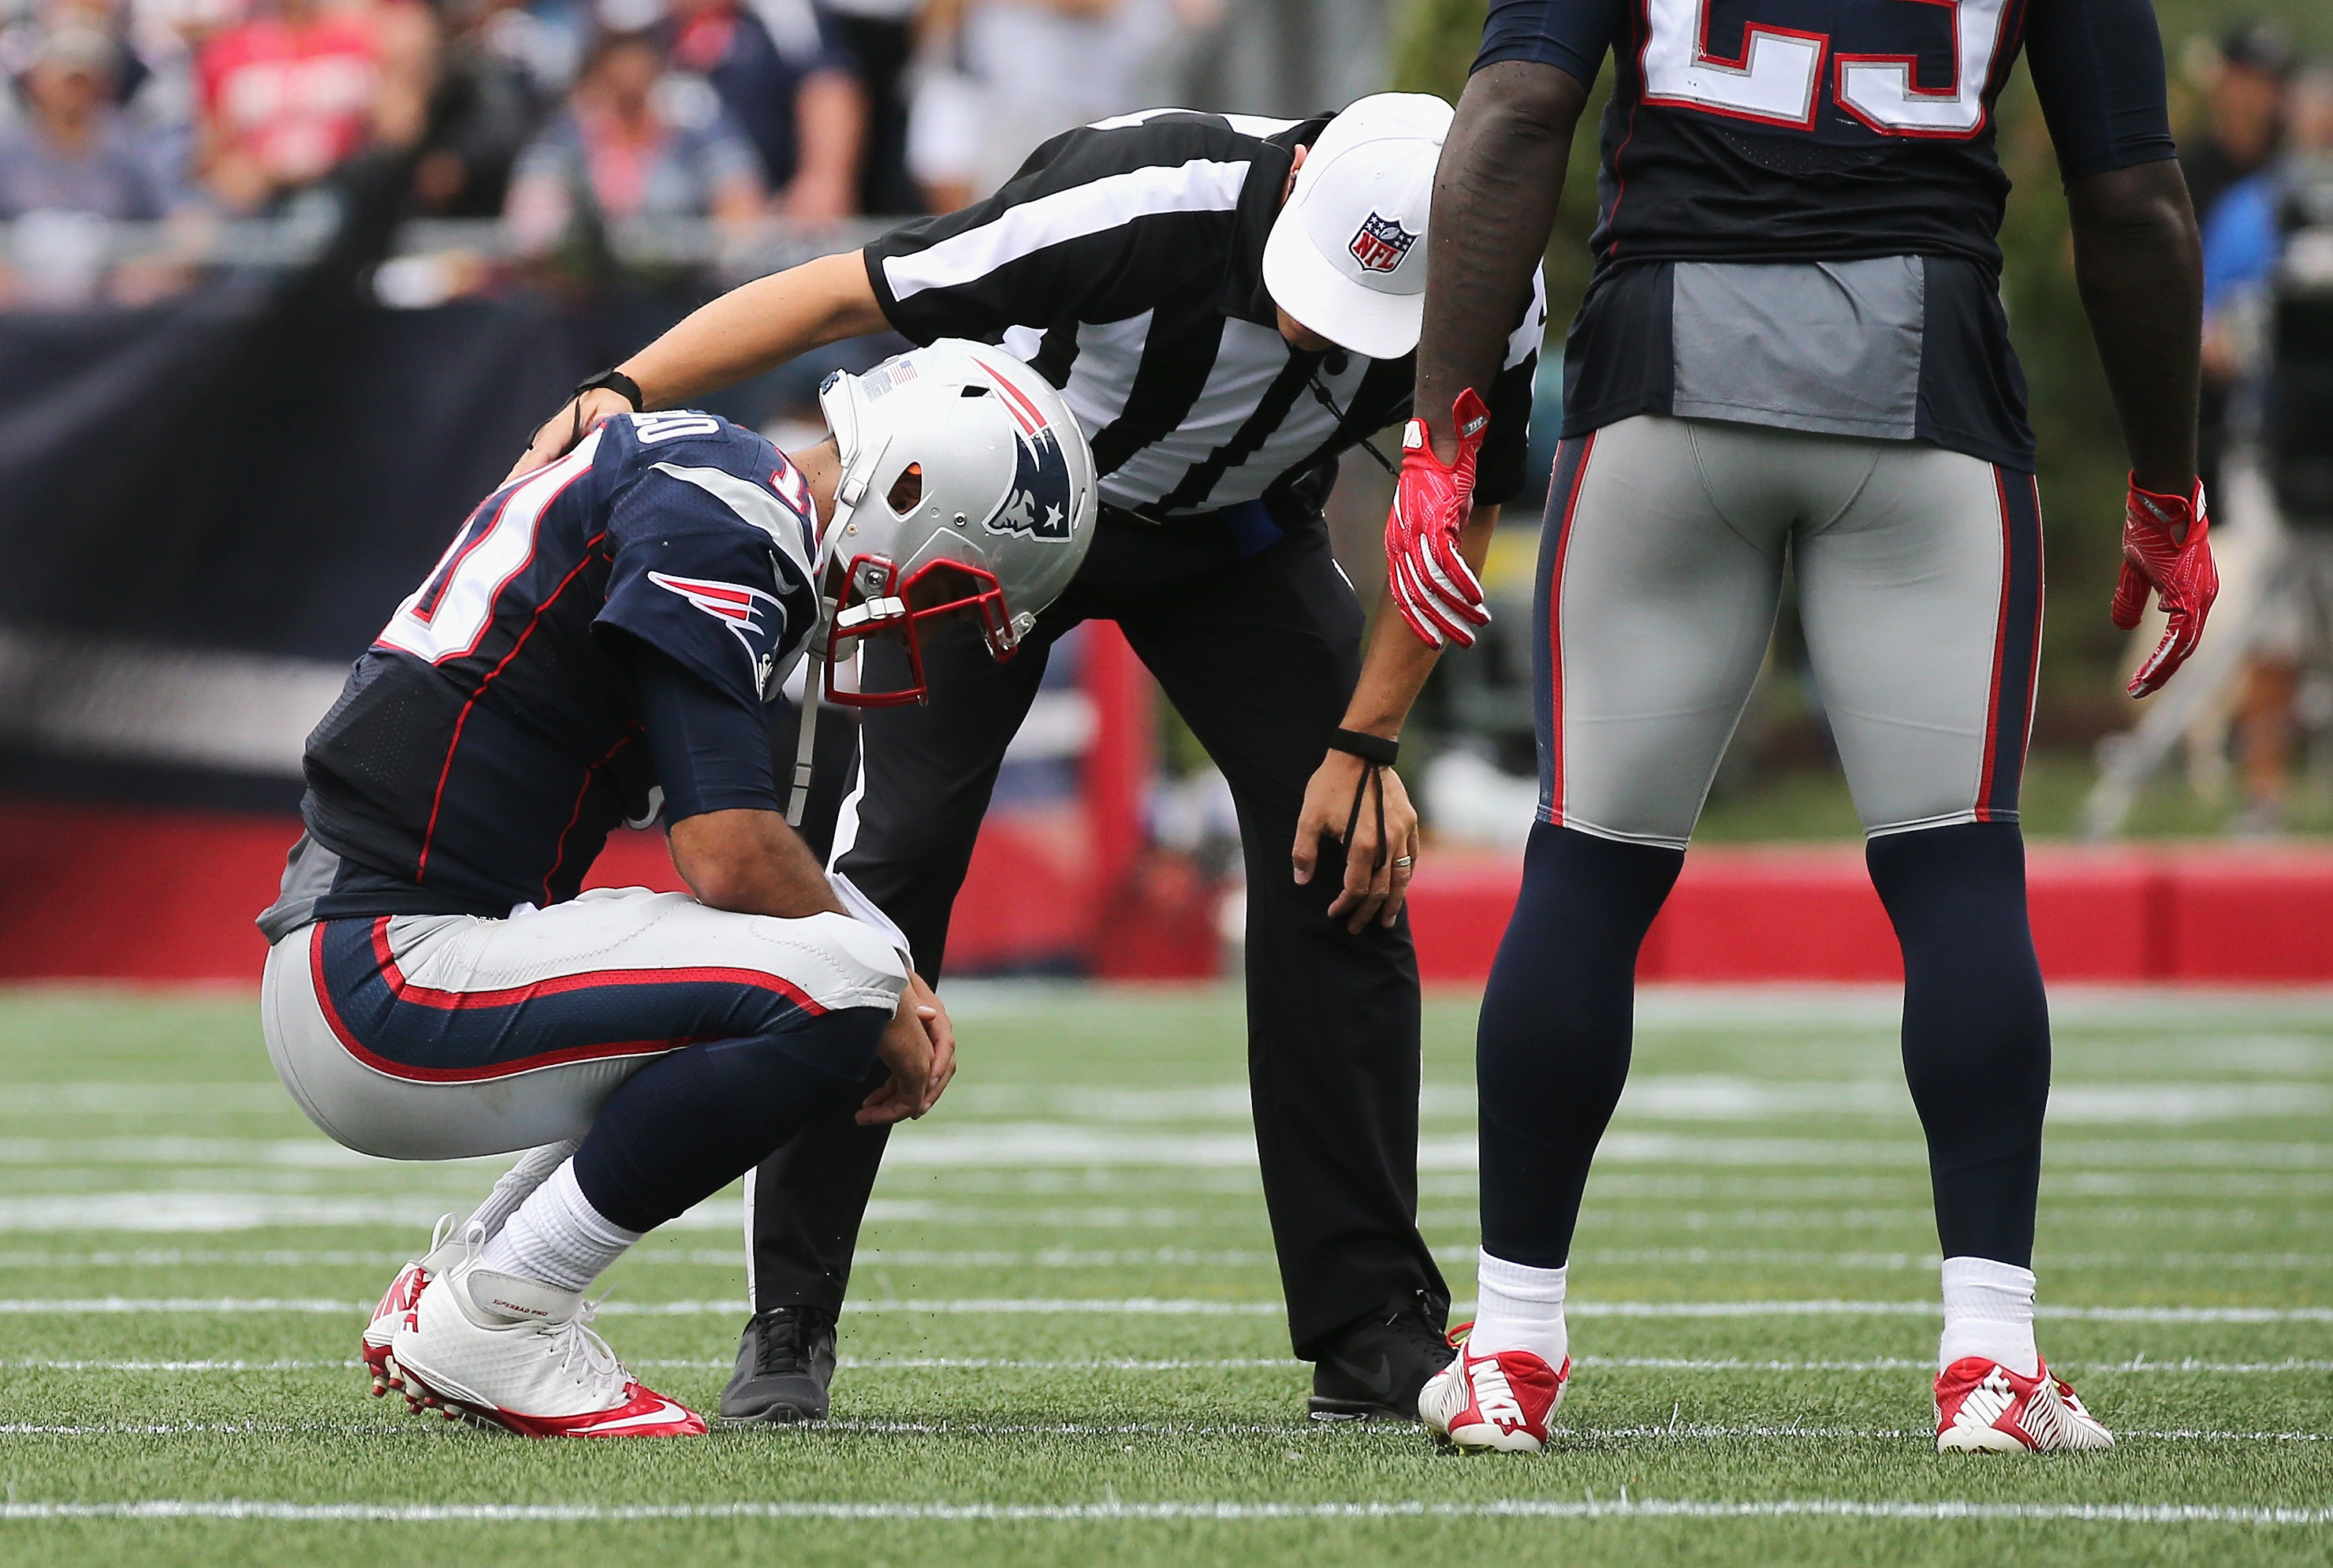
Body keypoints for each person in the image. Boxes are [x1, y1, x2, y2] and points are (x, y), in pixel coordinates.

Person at [509, 91, 1545, 1425]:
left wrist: (1366, 738)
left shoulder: (1483, 288)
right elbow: (844, 290)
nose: (1319, 336)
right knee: (883, 870)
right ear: (1291, 187)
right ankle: (788, 1319)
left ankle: (1366, 1322)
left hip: (1235, 540)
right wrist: (624, 387)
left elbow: (1449, 511)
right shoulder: (1134, 198)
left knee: (1341, 853)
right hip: (993, 512)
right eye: (1317, 293)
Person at [1383, 0, 2212, 1454]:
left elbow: (1510, 119)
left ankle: (1510, 1345)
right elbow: (2129, 196)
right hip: (1923, 387)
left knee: (1584, 865)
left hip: (1661, 375)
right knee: (1956, 872)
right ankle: (1988, 1360)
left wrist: (1436, 434)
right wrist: (2163, 483)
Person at [253, 340, 1098, 1438]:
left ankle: (474, 1280)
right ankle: (508, 1312)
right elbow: (728, 852)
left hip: (367, 952)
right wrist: (887, 986)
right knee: (840, 977)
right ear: (908, 489)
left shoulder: (695, 470)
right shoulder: (727, 507)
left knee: (804, 961)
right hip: (381, 983)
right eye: (942, 587)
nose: (911, 622)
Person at [2204, 65, 2333, 832]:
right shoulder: (2255, 211)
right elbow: (2209, 332)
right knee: (2271, 631)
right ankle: (2264, 796)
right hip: (2276, 451)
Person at [196, 0, 436, 214]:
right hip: (260, 201)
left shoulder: (362, 38)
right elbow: (211, 151)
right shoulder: (229, 48)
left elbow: (400, 129)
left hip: (352, 192)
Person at [669, 0, 866, 222]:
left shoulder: (783, 14)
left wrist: (823, 179)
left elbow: (828, 85)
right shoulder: (651, 25)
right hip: (683, 193)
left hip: (776, 200)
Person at [0, 24, 173, 222]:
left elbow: (166, 219)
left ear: (104, 85)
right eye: (65, 82)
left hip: (115, 251)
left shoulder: (129, 146)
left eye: (83, 82)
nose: (74, 93)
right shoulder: (9, 147)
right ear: (37, 83)